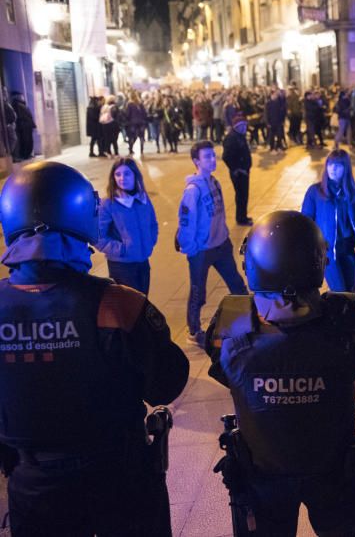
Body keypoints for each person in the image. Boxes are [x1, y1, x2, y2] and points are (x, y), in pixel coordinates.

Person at [0, 161, 189, 535]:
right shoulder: (117, 304)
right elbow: (167, 383)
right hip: (119, 480)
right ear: (80, 218)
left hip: (33, 486)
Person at [205, 210, 355, 537]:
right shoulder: (347, 316)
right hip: (335, 471)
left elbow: (222, 370)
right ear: (317, 260)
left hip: (262, 474)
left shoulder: (230, 321)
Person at [177, 140, 248, 345]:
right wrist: (191, 248)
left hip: (221, 245)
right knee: (198, 290)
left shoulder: (214, 182)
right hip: (201, 250)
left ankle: (248, 319)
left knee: (237, 284)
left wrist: (224, 236)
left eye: (213, 155)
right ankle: (194, 330)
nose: (212, 159)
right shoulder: (193, 190)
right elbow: (186, 223)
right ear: (196, 161)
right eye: (207, 156)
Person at [300, 149, 355, 293]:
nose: (333, 169)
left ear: (345, 169)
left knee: (352, 291)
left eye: (338, 165)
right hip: (328, 252)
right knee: (340, 292)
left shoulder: (353, 191)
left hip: (347, 248)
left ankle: (350, 315)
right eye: (330, 164)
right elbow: (305, 224)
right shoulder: (315, 192)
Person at [97, 157, 159, 295]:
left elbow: (153, 224)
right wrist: (122, 250)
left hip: (143, 262)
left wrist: (150, 242)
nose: (122, 178)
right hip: (121, 266)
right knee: (129, 309)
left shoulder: (142, 198)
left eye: (127, 174)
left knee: (143, 303)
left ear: (135, 175)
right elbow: (97, 236)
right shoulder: (108, 203)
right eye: (117, 174)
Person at [222, 113, 253, 227]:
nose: (245, 128)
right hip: (239, 173)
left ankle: (243, 216)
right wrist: (236, 169)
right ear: (237, 127)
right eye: (242, 126)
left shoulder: (240, 136)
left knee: (244, 195)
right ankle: (241, 218)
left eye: (245, 126)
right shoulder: (231, 138)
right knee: (241, 195)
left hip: (244, 171)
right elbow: (226, 157)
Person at [10, 91, 36, 162]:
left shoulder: (21, 104)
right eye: (20, 96)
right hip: (24, 127)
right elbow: (20, 117)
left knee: (28, 141)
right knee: (26, 141)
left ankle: (27, 154)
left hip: (27, 126)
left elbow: (28, 116)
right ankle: (25, 155)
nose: (22, 97)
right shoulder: (17, 105)